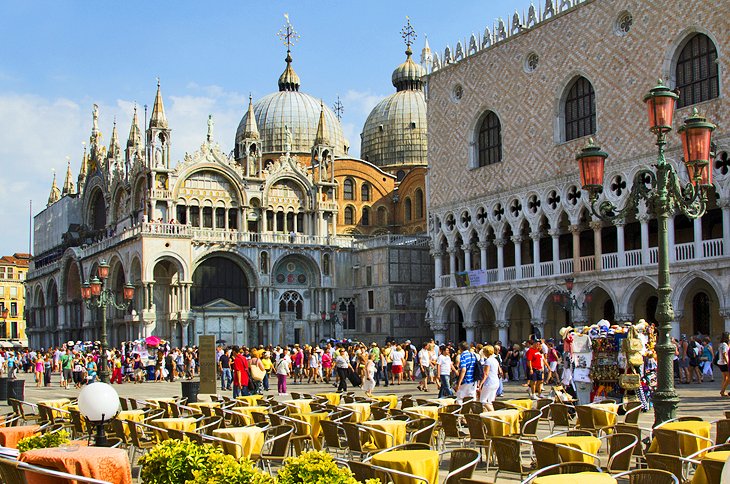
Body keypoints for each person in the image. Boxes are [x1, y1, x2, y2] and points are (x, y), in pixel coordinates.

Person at [479, 345, 502, 411]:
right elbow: (499, 371)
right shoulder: (495, 360)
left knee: (483, 400)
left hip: (489, 382)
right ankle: (491, 414)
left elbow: (486, 374)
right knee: (490, 401)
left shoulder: (488, 361)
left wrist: (480, 384)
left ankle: (492, 412)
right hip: (496, 381)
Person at [718, 332, 730, 397]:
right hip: (724, 363)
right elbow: (724, 354)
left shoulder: (721, 344)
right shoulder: (725, 345)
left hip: (720, 363)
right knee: (728, 378)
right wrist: (727, 362)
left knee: (725, 378)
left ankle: (723, 391)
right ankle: (722, 391)